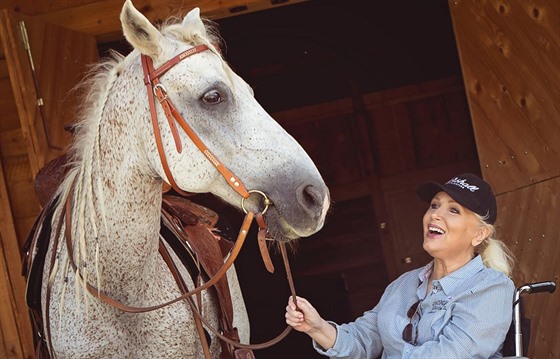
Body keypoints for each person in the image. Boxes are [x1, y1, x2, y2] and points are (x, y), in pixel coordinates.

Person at [285, 173, 515, 359]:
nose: (435, 215)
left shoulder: (492, 289)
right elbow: (366, 339)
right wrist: (317, 327)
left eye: (453, 210)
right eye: (434, 205)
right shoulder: (403, 284)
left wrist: (392, 349)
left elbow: (451, 355)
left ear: (479, 234)